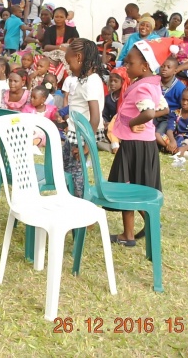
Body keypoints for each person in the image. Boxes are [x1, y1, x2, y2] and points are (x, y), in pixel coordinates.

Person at [108, 38, 174, 246]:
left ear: (145, 66)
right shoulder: (151, 83)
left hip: (134, 145)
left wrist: (135, 122)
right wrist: (143, 120)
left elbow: (149, 112)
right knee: (136, 187)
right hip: (143, 144)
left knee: (130, 188)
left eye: (129, 63)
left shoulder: (143, 87)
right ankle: (136, 229)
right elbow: (164, 109)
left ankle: (144, 225)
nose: (125, 66)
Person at [63, 38, 107, 197]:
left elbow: (95, 117)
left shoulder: (91, 82)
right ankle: (69, 201)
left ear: (79, 57)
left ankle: (81, 207)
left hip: (82, 137)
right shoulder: (84, 80)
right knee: (67, 170)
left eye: (69, 62)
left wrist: (87, 144)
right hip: (76, 133)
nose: (68, 67)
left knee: (76, 173)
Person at [101, 67, 130, 153]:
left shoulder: (127, 98)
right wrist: (105, 122)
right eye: (111, 81)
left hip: (124, 126)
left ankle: (115, 145)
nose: (112, 83)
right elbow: (104, 114)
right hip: (110, 127)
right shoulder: (108, 98)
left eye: (116, 81)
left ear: (123, 82)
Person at [155, 55, 185, 137]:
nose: (164, 69)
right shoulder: (154, 80)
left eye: (168, 67)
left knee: (158, 134)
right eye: (162, 66)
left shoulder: (179, 87)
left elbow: (182, 107)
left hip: (168, 118)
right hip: (154, 113)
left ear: (175, 71)